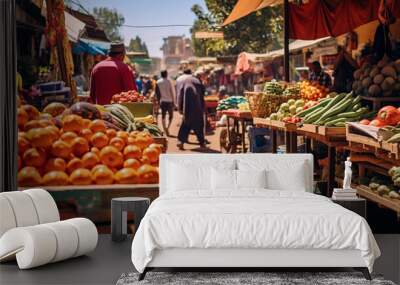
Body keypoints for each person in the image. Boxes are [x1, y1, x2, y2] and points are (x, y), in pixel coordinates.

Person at [177, 73, 206, 150]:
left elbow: (180, 95)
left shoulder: (186, 81)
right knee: (199, 124)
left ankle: (181, 142)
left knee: (186, 123)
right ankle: (202, 143)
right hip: (197, 107)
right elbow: (203, 94)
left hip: (187, 106)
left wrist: (180, 107)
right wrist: (203, 108)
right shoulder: (198, 82)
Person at [155, 70, 175, 136]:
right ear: (166, 74)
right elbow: (172, 92)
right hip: (170, 101)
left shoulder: (158, 82)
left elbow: (157, 93)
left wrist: (158, 102)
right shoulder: (169, 81)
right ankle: (167, 127)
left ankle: (164, 129)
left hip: (162, 101)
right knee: (171, 116)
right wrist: (174, 102)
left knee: (163, 116)